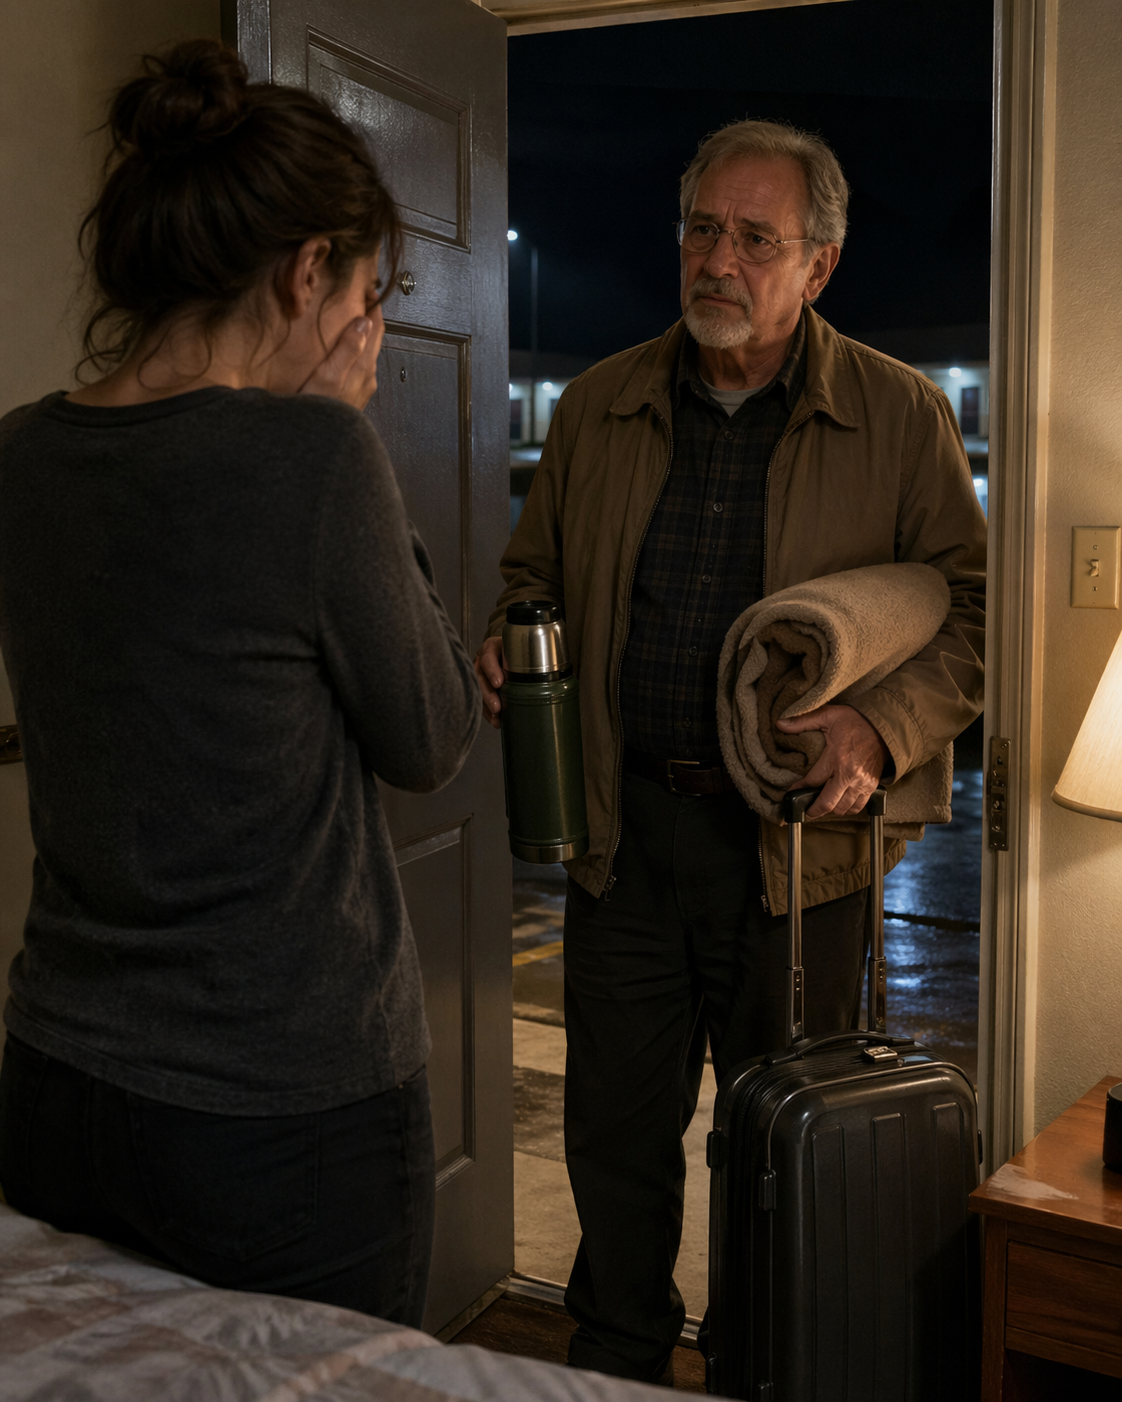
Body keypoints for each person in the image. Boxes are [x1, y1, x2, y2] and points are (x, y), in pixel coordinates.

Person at [475, 119, 986, 1383]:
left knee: (780, 1153)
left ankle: (767, 1367)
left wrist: (881, 727)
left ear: (819, 265)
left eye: (757, 238)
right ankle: (615, 1359)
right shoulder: (598, 404)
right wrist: (510, 637)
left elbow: (974, 613)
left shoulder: (901, 413)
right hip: (624, 842)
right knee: (614, 1138)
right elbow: (533, 578)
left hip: (800, 857)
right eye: (703, 229)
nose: (719, 260)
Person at [0, 40, 479, 1326]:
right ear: (307, 271)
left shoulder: (22, 457)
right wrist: (345, 432)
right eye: (367, 293)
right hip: (285, 1110)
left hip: (60, 1076)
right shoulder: (313, 459)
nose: (369, 329)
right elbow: (432, 733)